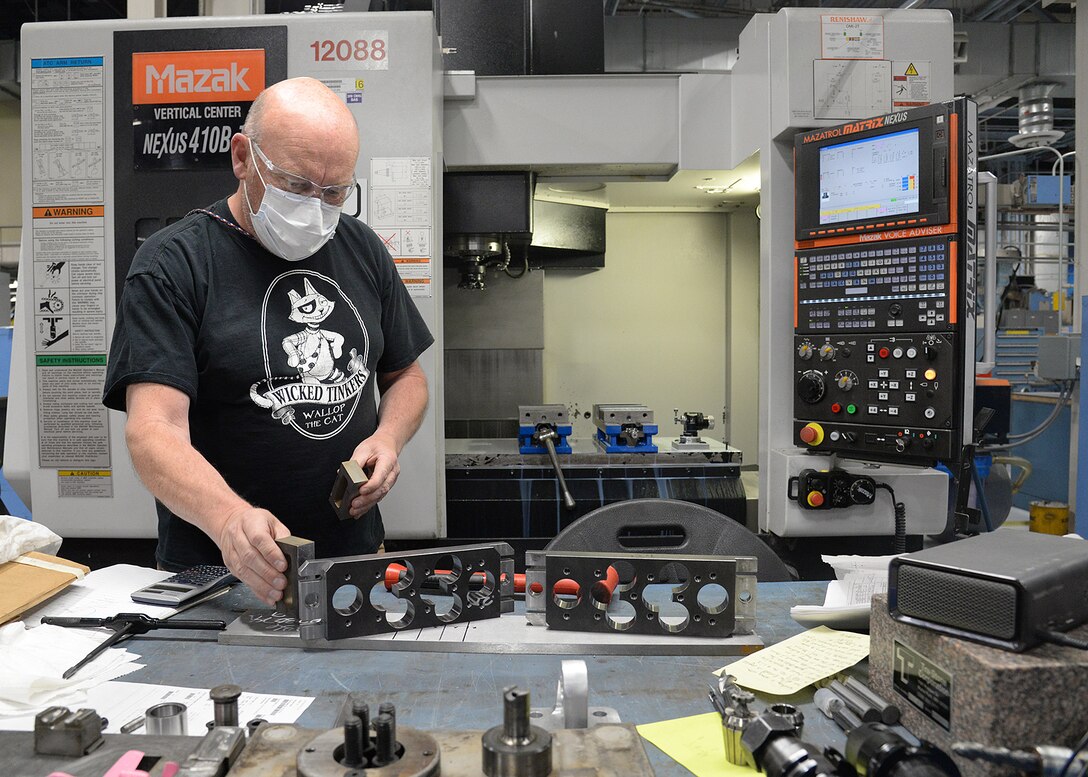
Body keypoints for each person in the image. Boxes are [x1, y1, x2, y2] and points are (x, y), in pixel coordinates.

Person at [103, 78, 434, 606]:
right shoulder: (174, 264)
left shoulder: (362, 249)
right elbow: (153, 431)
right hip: (218, 574)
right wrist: (229, 519)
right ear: (242, 157)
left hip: (354, 560)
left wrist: (389, 438)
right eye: (296, 185)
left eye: (334, 192)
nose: (316, 206)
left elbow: (406, 376)